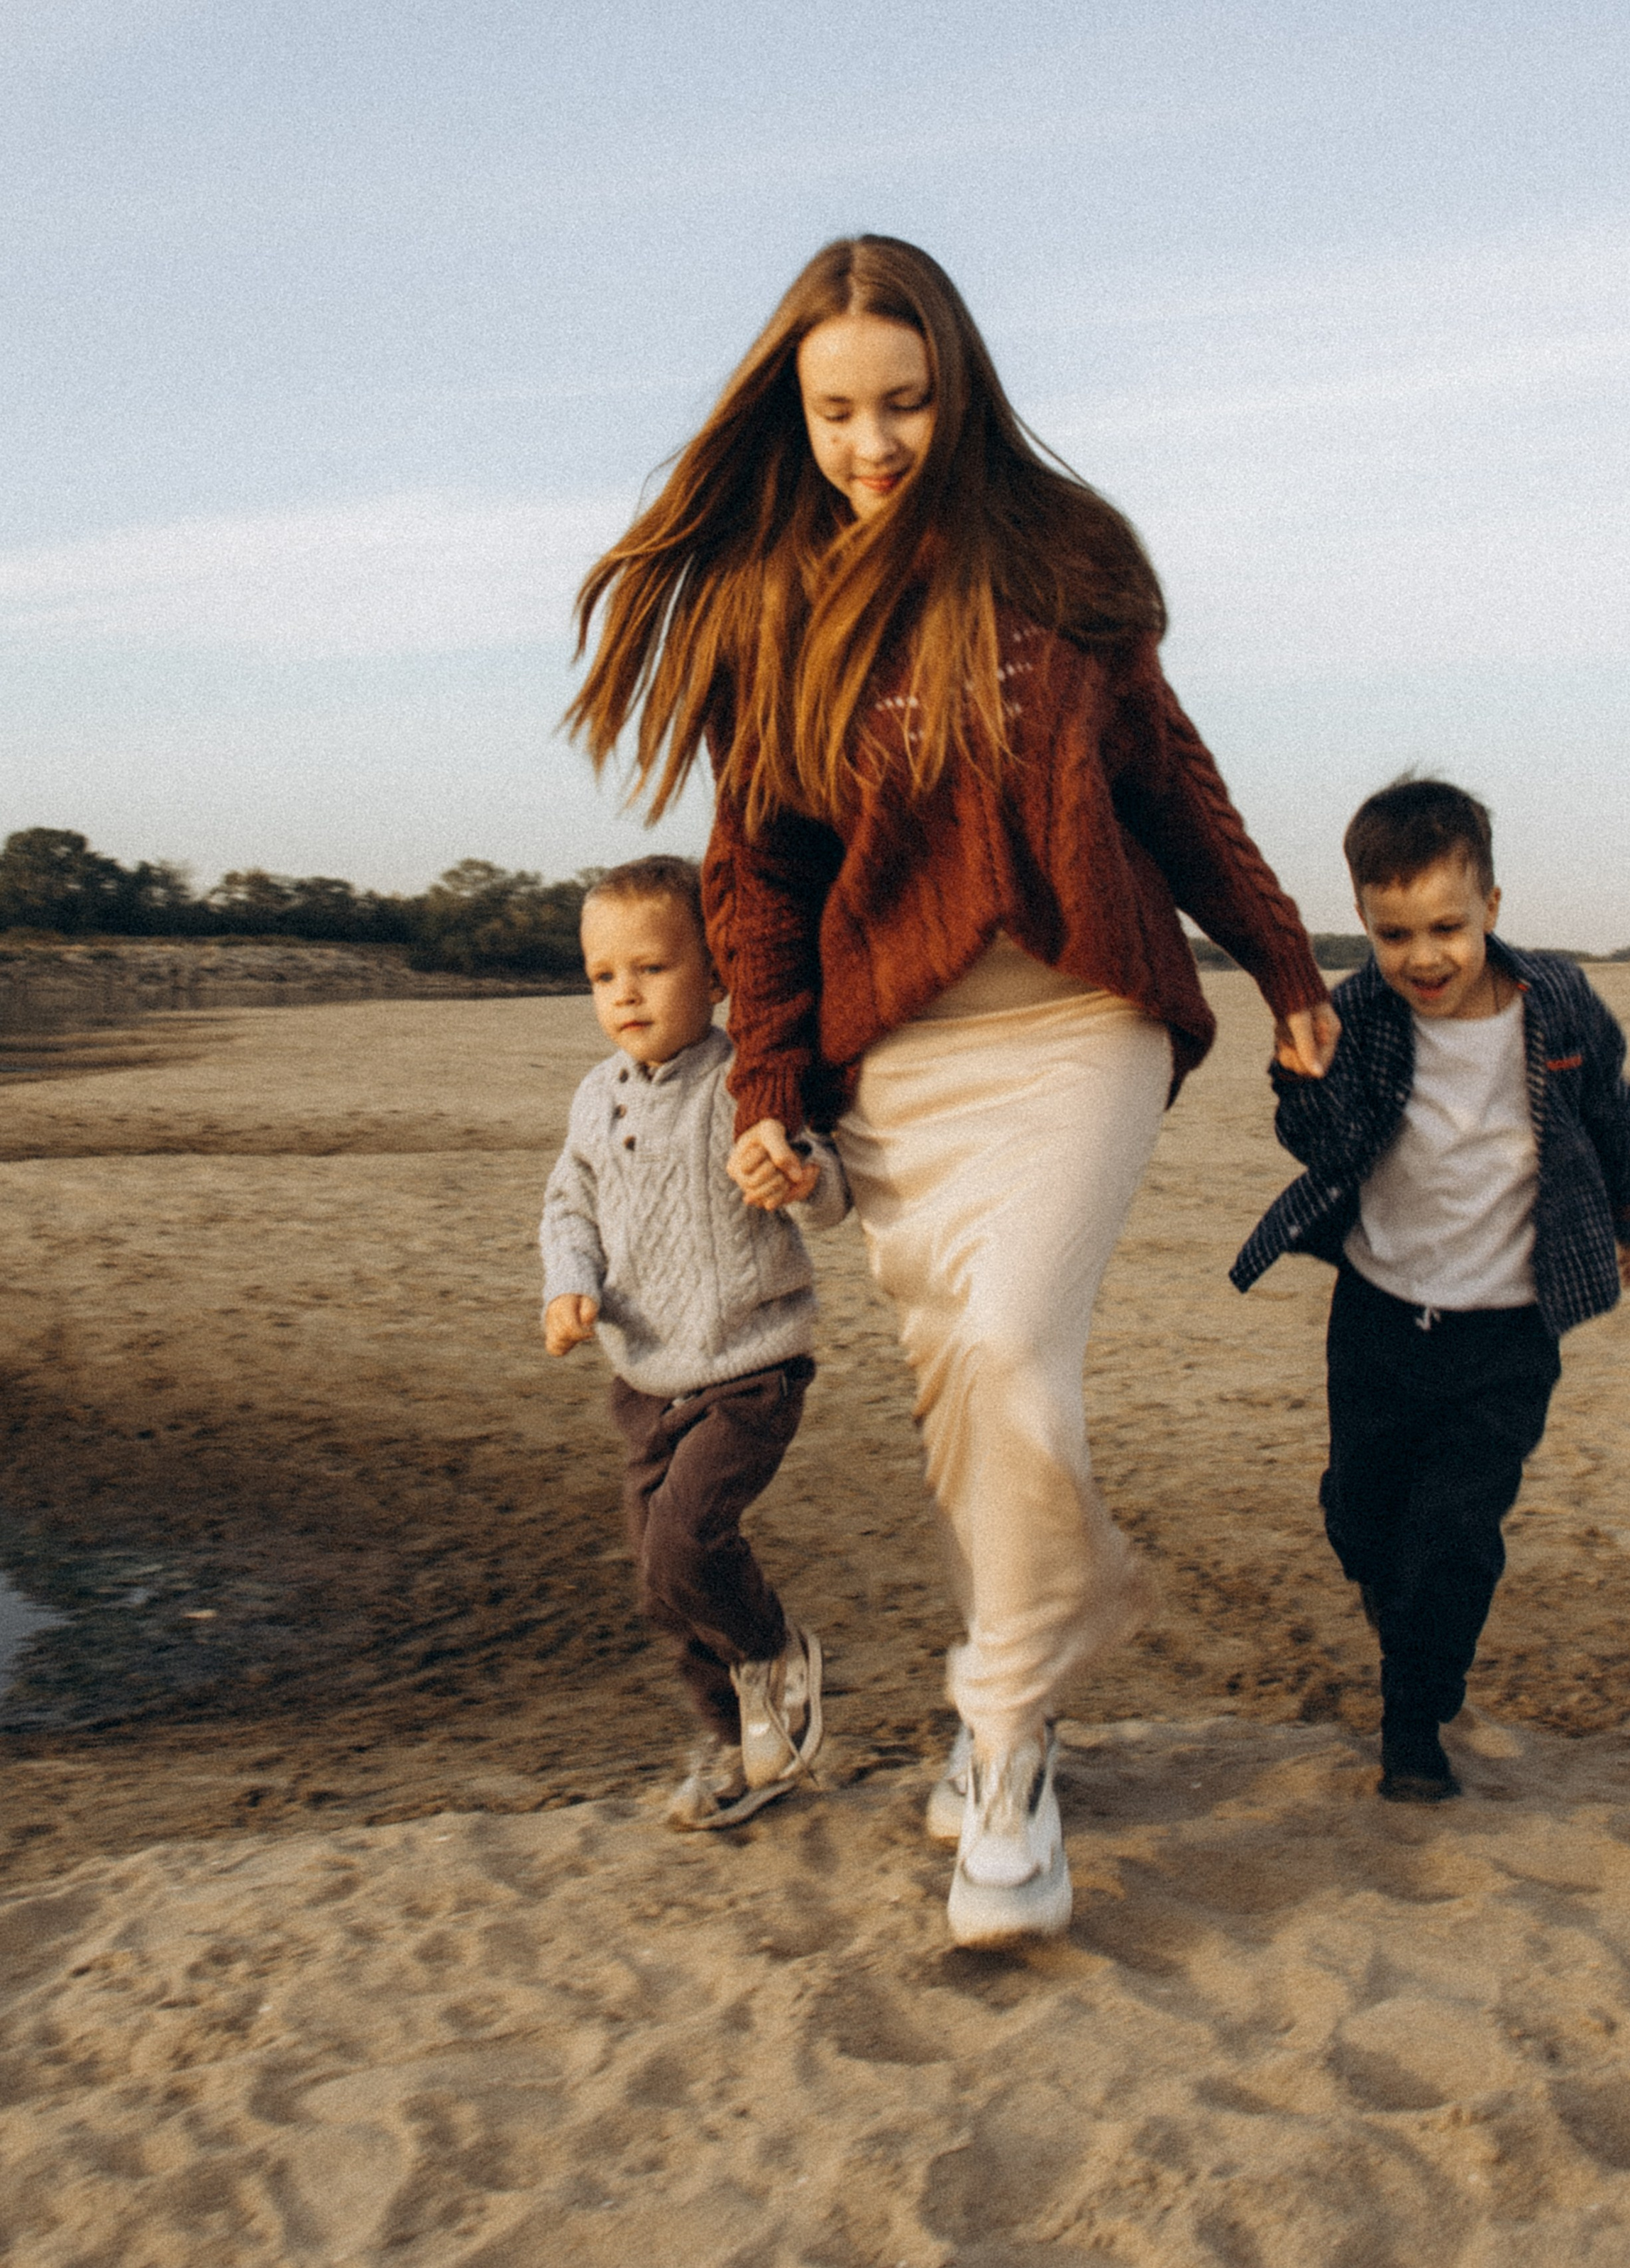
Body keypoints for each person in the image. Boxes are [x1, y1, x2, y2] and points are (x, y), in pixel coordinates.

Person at [566, 236, 1336, 1945]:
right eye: (836, 410)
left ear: (957, 385)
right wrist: (769, 1079)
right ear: (794, 408)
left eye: (904, 401)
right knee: (969, 1416)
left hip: (1081, 1028)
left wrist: (1284, 963)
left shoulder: (1061, 556)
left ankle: (998, 1755)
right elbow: (756, 883)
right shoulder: (770, 608)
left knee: (1009, 1355)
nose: (871, 443)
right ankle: (1026, 1690)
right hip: (893, 1065)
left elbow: (1169, 777)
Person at [1232, 778, 1630, 1802]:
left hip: (1507, 1331)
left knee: (1456, 1533)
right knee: (1364, 1516)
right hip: (1378, 1317)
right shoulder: (1359, 1014)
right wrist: (1300, 1077)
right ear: (1367, 926)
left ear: (1493, 911)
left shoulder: (1556, 1004)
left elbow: (1613, 1112)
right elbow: (1321, 1142)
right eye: (1395, 934)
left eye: (1448, 928)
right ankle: (1386, 1582)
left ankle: (1415, 1719)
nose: (1425, 956)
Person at [539, 854, 849, 1829]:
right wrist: (569, 1286)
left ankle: (774, 1656)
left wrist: (801, 1172)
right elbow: (569, 1206)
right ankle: (732, 1741)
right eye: (603, 976)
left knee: (687, 1541)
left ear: (717, 974)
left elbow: (835, 1181)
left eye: (652, 969)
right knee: (661, 1582)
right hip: (645, 1378)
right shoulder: (596, 1096)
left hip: (749, 1365)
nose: (624, 993)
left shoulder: (746, 1080)